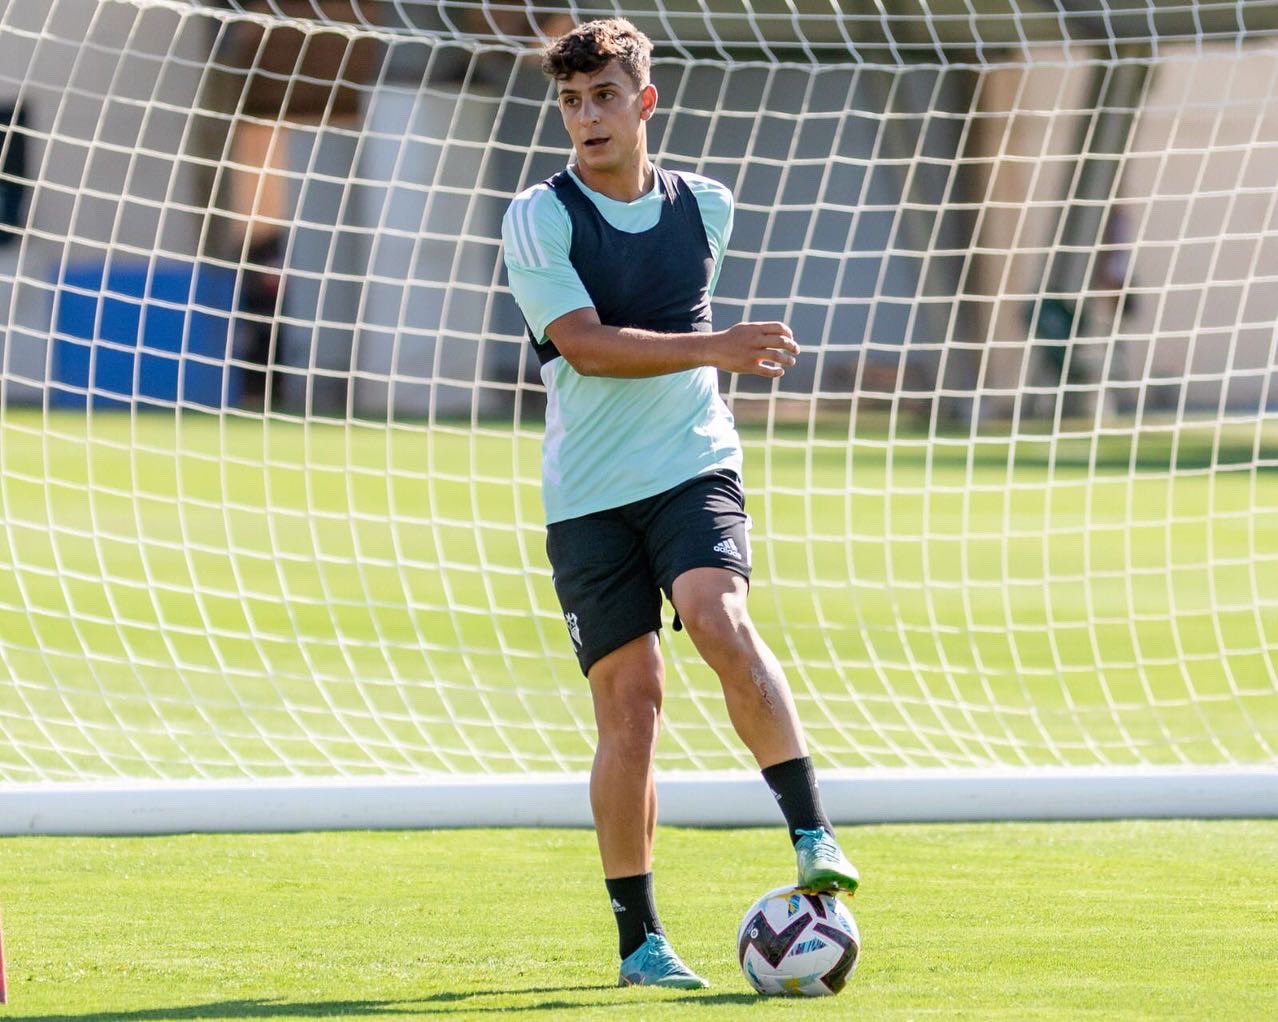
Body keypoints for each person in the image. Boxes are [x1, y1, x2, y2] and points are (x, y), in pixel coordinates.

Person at [501, 17, 859, 990]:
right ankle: (641, 943)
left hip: (693, 464)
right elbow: (584, 346)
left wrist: (713, 357)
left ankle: (813, 831)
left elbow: (666, 326)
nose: (587, 117)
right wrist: (717, 348)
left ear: (644, 102)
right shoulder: (538, 216)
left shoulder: (705, 204)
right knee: (632, 708)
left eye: (605, 96)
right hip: (588, 496)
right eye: (571, 102)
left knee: (717, 614)